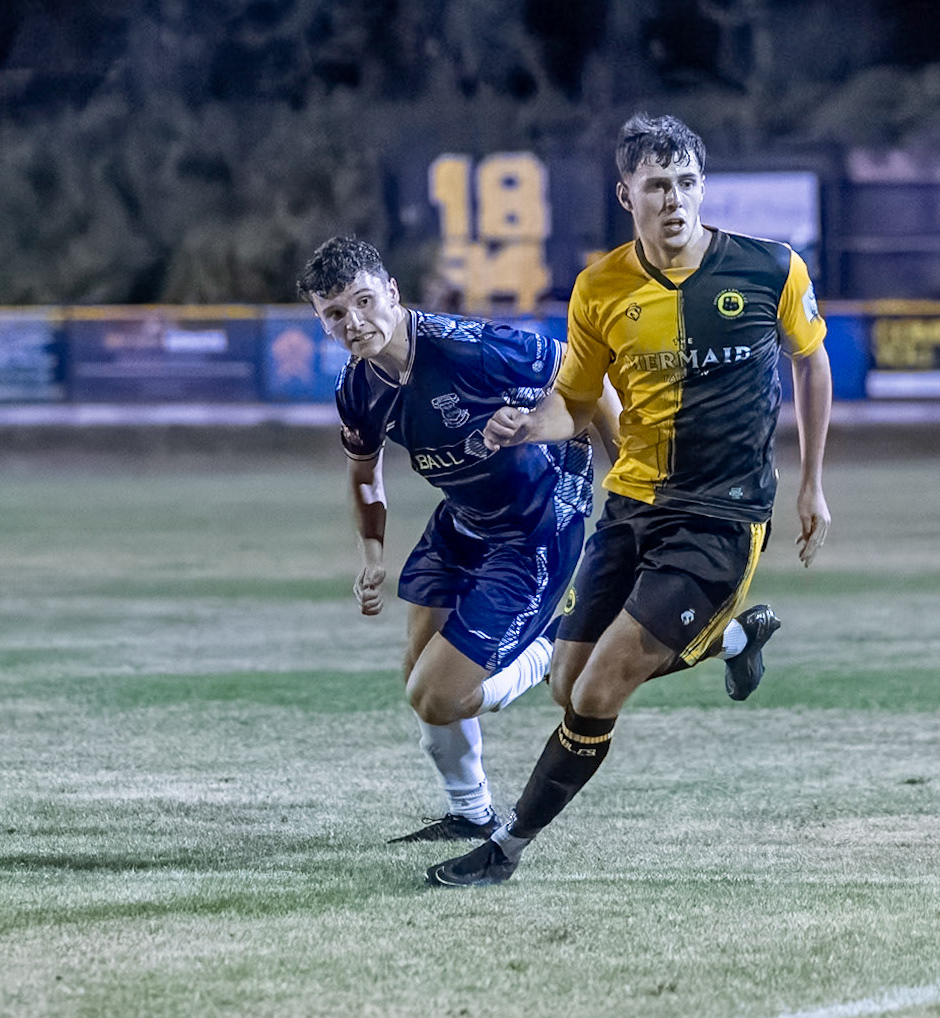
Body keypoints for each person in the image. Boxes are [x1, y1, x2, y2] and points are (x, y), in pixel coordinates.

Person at [425, 112, 834, 887]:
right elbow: (574, 406)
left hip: (721, 518)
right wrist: (521, 427)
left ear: (702, 187)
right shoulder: (601, 287)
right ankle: (737, 641)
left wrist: (811, 480)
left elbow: (812, 367)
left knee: (598, 690)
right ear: (627, 195)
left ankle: (505, 849)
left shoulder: (772, 269)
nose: (674, 199)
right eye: (657, 185)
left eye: (686, 182)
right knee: (563, 682)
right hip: (632, 507)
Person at [295, 235, 618, 845]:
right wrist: (371, 555)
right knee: (418, 677)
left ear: (392, 292)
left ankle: (553, 646)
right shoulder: (358, 389)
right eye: (335, 314)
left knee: (441, 698)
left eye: (364, 302)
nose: (354, 323)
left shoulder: (470, 348)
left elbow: (588, 379)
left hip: (536, 526)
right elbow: (364, 472)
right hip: (463, 521)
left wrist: (630, 481)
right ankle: (471, 813)